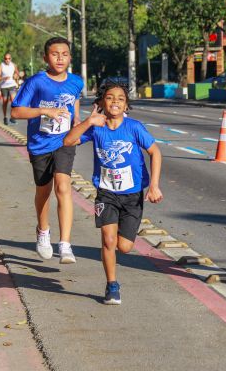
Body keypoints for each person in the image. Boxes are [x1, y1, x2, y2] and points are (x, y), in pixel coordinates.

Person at [63, 83, 163, 305]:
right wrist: (88, 121)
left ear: (126, 104)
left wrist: (154, 185)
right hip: (106, 193)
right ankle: (112, 285)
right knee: (108, 240)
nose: (115, 102)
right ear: (101, 103)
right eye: (109, 98)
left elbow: (155, 152)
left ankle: (120, 248)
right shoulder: (96, 127)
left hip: (132, 195)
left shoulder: (134, 127)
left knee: (124, 247)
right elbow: (68, 141)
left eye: (120, 98)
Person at [11, 37, 82, 264]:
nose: (60, 58)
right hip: (40, 144)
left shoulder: (76, 82)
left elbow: (74, 101)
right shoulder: (36, 82)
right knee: (44, 191)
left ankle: (65, 244)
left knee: (63, 187)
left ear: (70, 58)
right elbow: (16, 112)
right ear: (45, 58)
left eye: (64, 54)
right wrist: (44, 111)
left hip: (64, 142)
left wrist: (77, 121)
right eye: (54, 54)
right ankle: (43, 231)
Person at [0, 53, 19, 125]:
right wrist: (3, 78)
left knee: (13, 101)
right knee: (5, 101)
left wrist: (16, 75)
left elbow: (17, 73)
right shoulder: (1, 66)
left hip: (12, 85)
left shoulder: (13, 65)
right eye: (6, 58)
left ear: (11, 59)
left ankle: (12, 117)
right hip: (4, 86)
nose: (7, 60)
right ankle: (5, 117)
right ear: (4, 59)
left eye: (8, 58)